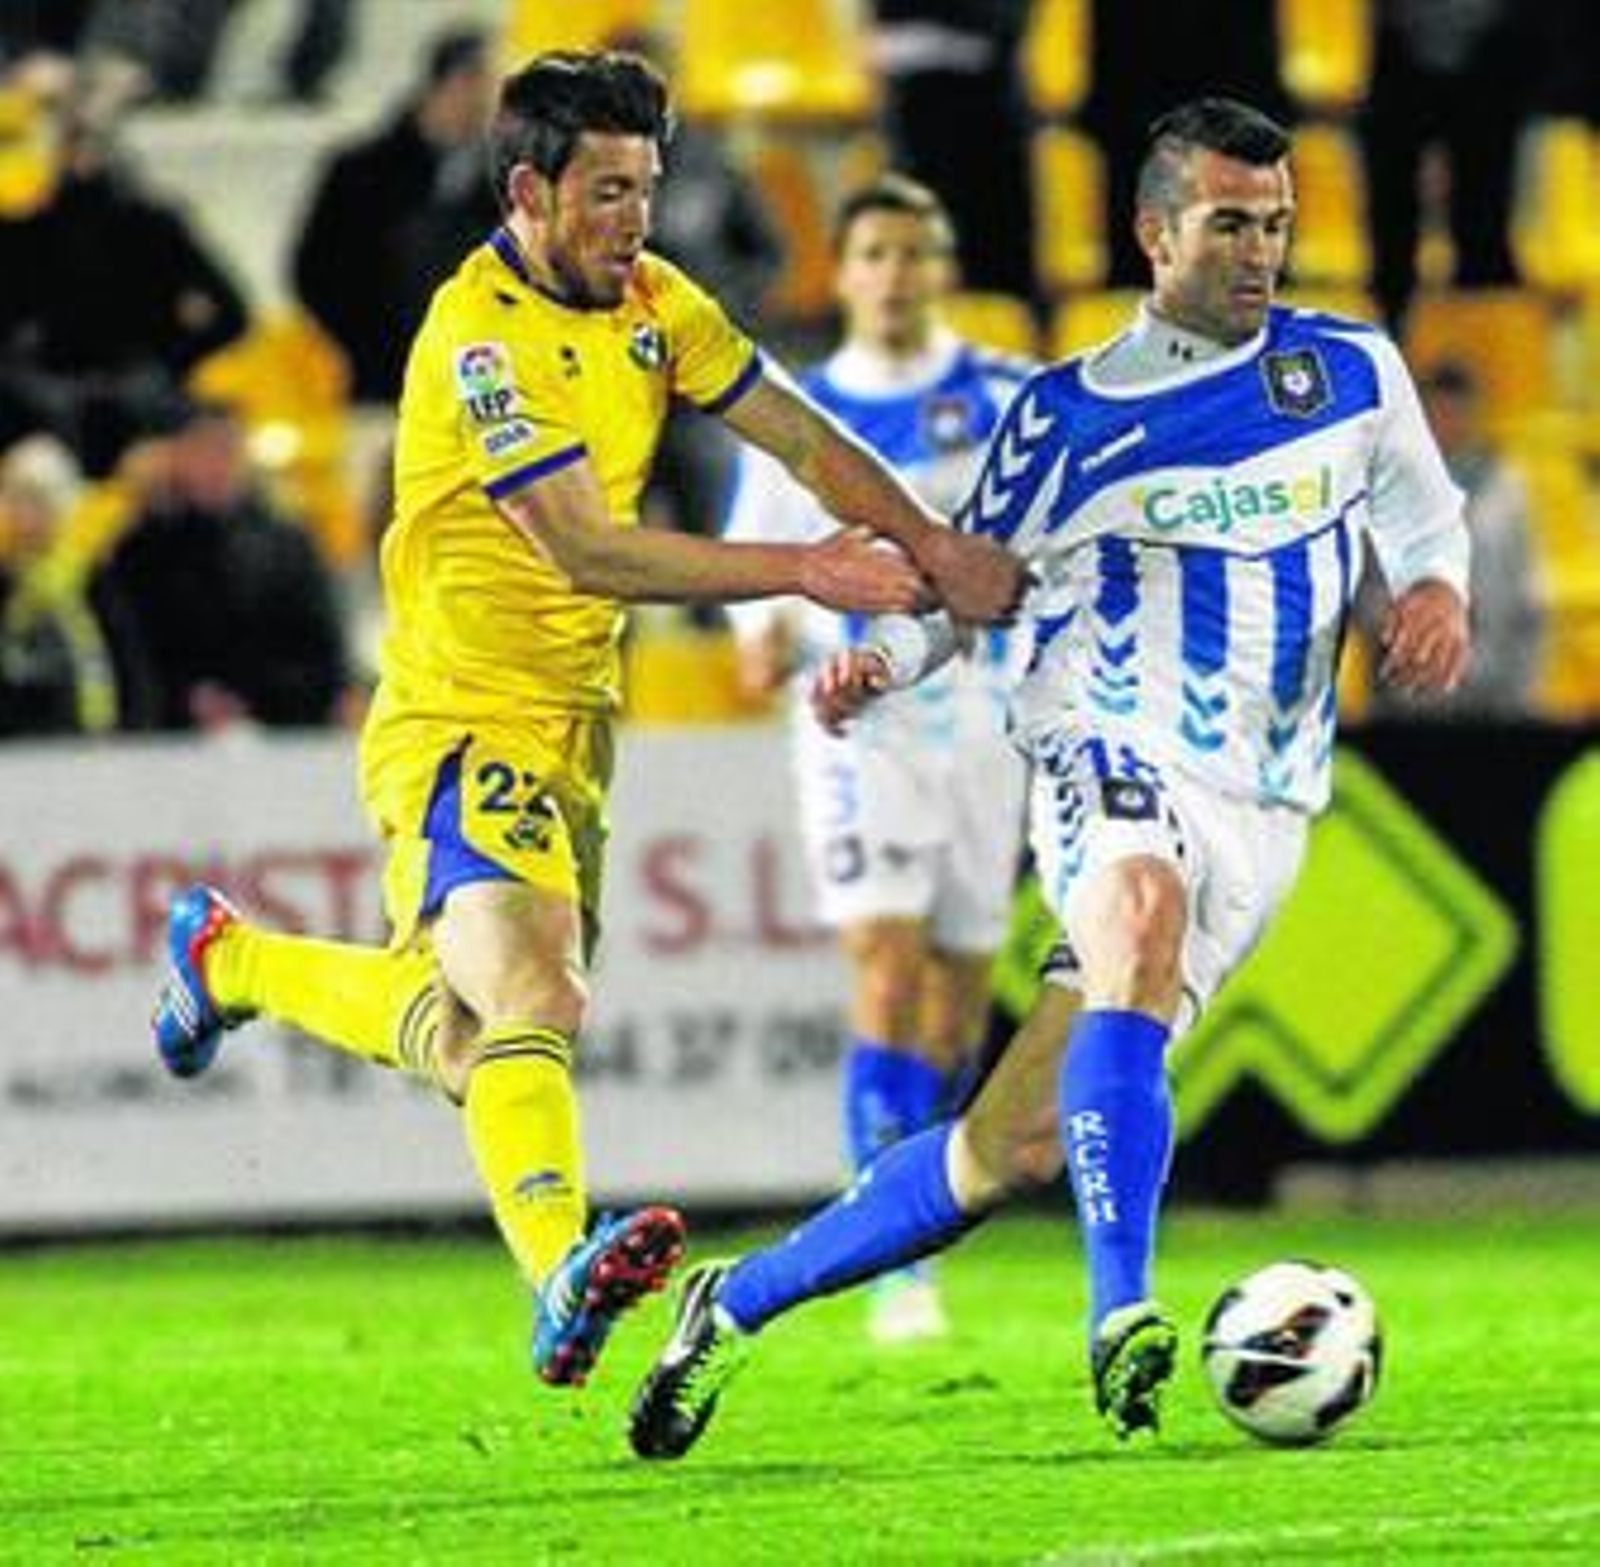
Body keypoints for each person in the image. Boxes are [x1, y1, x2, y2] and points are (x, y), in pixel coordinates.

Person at [149, 50, 1023, 1392]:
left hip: (576, 726)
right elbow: (580, 547)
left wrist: (927, 541)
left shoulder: (656, 300)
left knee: (472, 1032)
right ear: (529, 191)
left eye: (648, 189)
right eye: (608, 193)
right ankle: (562, 1265)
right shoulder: (479, 334)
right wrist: (808, 568)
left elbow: (797, 434)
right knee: (534, 989)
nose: (637, 221)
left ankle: (232, 959)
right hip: (461, 708)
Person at [629, 96, 1471, 1458]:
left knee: (1005, 1145)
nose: (1260, 253)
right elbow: (967, 581)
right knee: (1134, 913)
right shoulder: (1069, 416)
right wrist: (881, 663)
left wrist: (1437, 587)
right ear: (1152, 233)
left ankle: (732, 1302)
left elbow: (1425, 512)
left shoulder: (1353, 369)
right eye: (1229, 225)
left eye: (1277, 225)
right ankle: (1118, 1307)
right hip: (1106, 740)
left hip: (1269, 802)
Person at [723, 173, 1030, 1342]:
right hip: (862, 731)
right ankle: (891, 1268)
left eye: (918, 253)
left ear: (942, 267)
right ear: (842, 272)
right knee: (886, 971)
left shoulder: (1001, 397)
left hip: (986, 730)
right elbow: (760, 608)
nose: (897, 276)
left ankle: (905, 1222)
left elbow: (1034, 552)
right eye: (876, 255)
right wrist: (780, 644)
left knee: (953, 1012)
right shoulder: (799, 422)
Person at [95, 397, 352, 732]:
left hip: (281, 733)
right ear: (176, 456)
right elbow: (129, 657)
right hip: (168, 739)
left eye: (226, 450)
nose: (215, 464)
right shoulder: (140, 550)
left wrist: (259, 702)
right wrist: (188, 700)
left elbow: (322, 648)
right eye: (201, 450)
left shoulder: (289, 545)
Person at [292, 26, 500, 408]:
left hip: (487, 398)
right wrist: (371, 347)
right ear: (452, 82)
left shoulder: (511, 184)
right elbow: (313, 272)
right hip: (383, 391)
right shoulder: (359, 173)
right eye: (487, 83)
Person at [1362, 359, 1543, 720]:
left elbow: (1527, 595)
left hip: (1496, 698)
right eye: (1440, 412)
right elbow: (1367, 593)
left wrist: (1518, 691)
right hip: (1409, 697)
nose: (1450, 423)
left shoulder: (1507, 488)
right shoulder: (1390, 483)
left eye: (1459, 412)